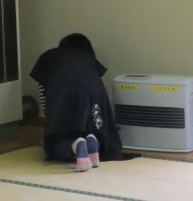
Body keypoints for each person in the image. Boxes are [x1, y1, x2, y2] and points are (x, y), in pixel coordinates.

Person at [29, 33, 135, 172]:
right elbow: (101, 97)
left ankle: (75, 146)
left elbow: (45, 99)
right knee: (98, 135)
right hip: (92, 98)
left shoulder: (49, 56)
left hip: (61, 95)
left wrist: (52, 124)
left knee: (54, 144)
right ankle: (94, 143)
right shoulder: (90, 59)